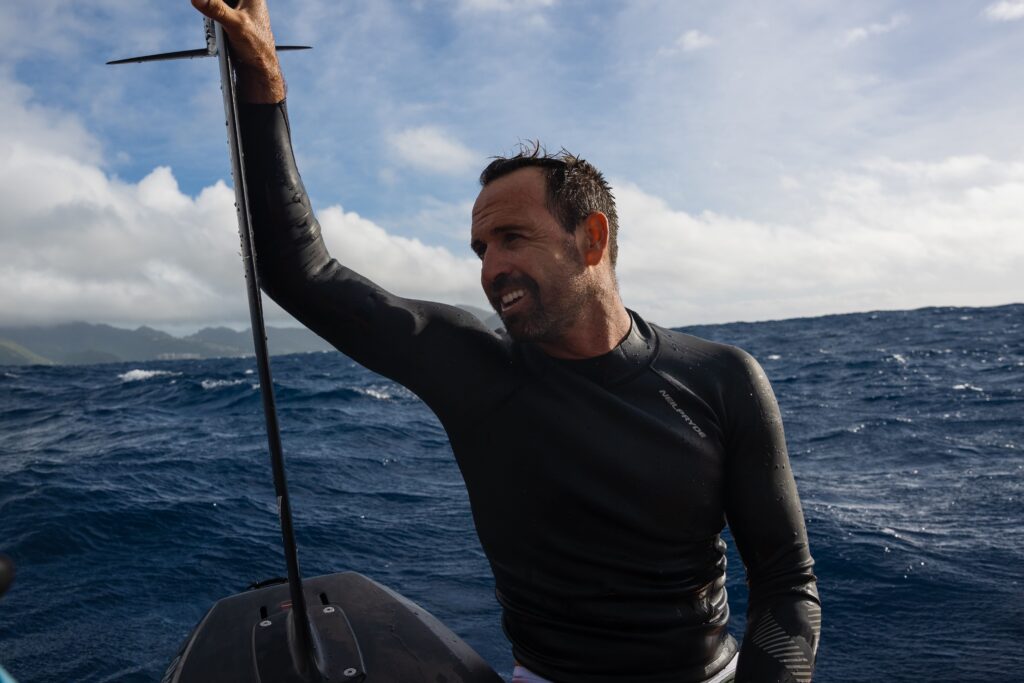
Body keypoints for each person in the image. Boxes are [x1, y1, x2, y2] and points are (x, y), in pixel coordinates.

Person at [190, 2, 821, 681]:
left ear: (593, 239)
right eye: (480, 247)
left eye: (513, 238)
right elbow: (299, 270)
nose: (490, 268)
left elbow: (786, 585)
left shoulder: (722, 378)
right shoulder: (474, 368)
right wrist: (262, 74)